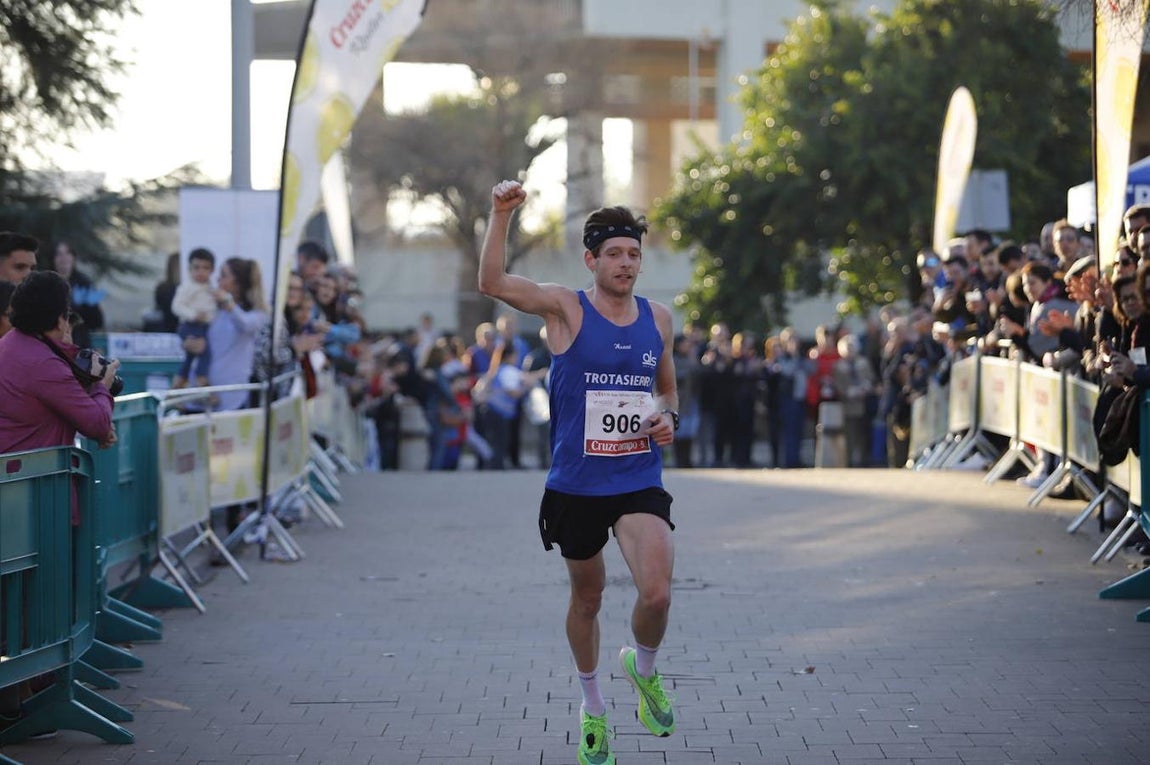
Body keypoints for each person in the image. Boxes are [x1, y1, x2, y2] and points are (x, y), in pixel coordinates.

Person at [478, 179, 678, 765]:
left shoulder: (658, 318)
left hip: (638, 476)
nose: (625, 263)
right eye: (614, 253)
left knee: (659, 593)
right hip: (577, 485)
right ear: (591, 260)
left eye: (634, 253)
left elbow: (665, 388)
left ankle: (643, 671)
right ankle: (593, 708)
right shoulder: (565, 307)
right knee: (587, 600)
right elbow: (491, 283)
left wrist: (668, 417)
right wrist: (499, 216)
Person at [171, 248, 218, 388]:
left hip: (203, 326)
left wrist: (208, 317)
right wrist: (193, 314)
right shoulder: (187, 287)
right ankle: (201, 379)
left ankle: (179, 383)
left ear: (212, 270)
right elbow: (177, 306)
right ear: (189, 269)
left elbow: (211, 309)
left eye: (205, 268)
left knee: (190, 357)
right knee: (205, 352)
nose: (200, 272)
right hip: (190, 325)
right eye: (196, 267)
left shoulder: (210, 288)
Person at [50, 241, 104, 348]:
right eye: (59, 254)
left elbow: (96, 321)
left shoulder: (84, 283)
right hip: (52, 343)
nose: (63, 258)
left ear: (73, 257)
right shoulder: (46, 283)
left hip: (78, 343)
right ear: (53, 259)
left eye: (67, 253)